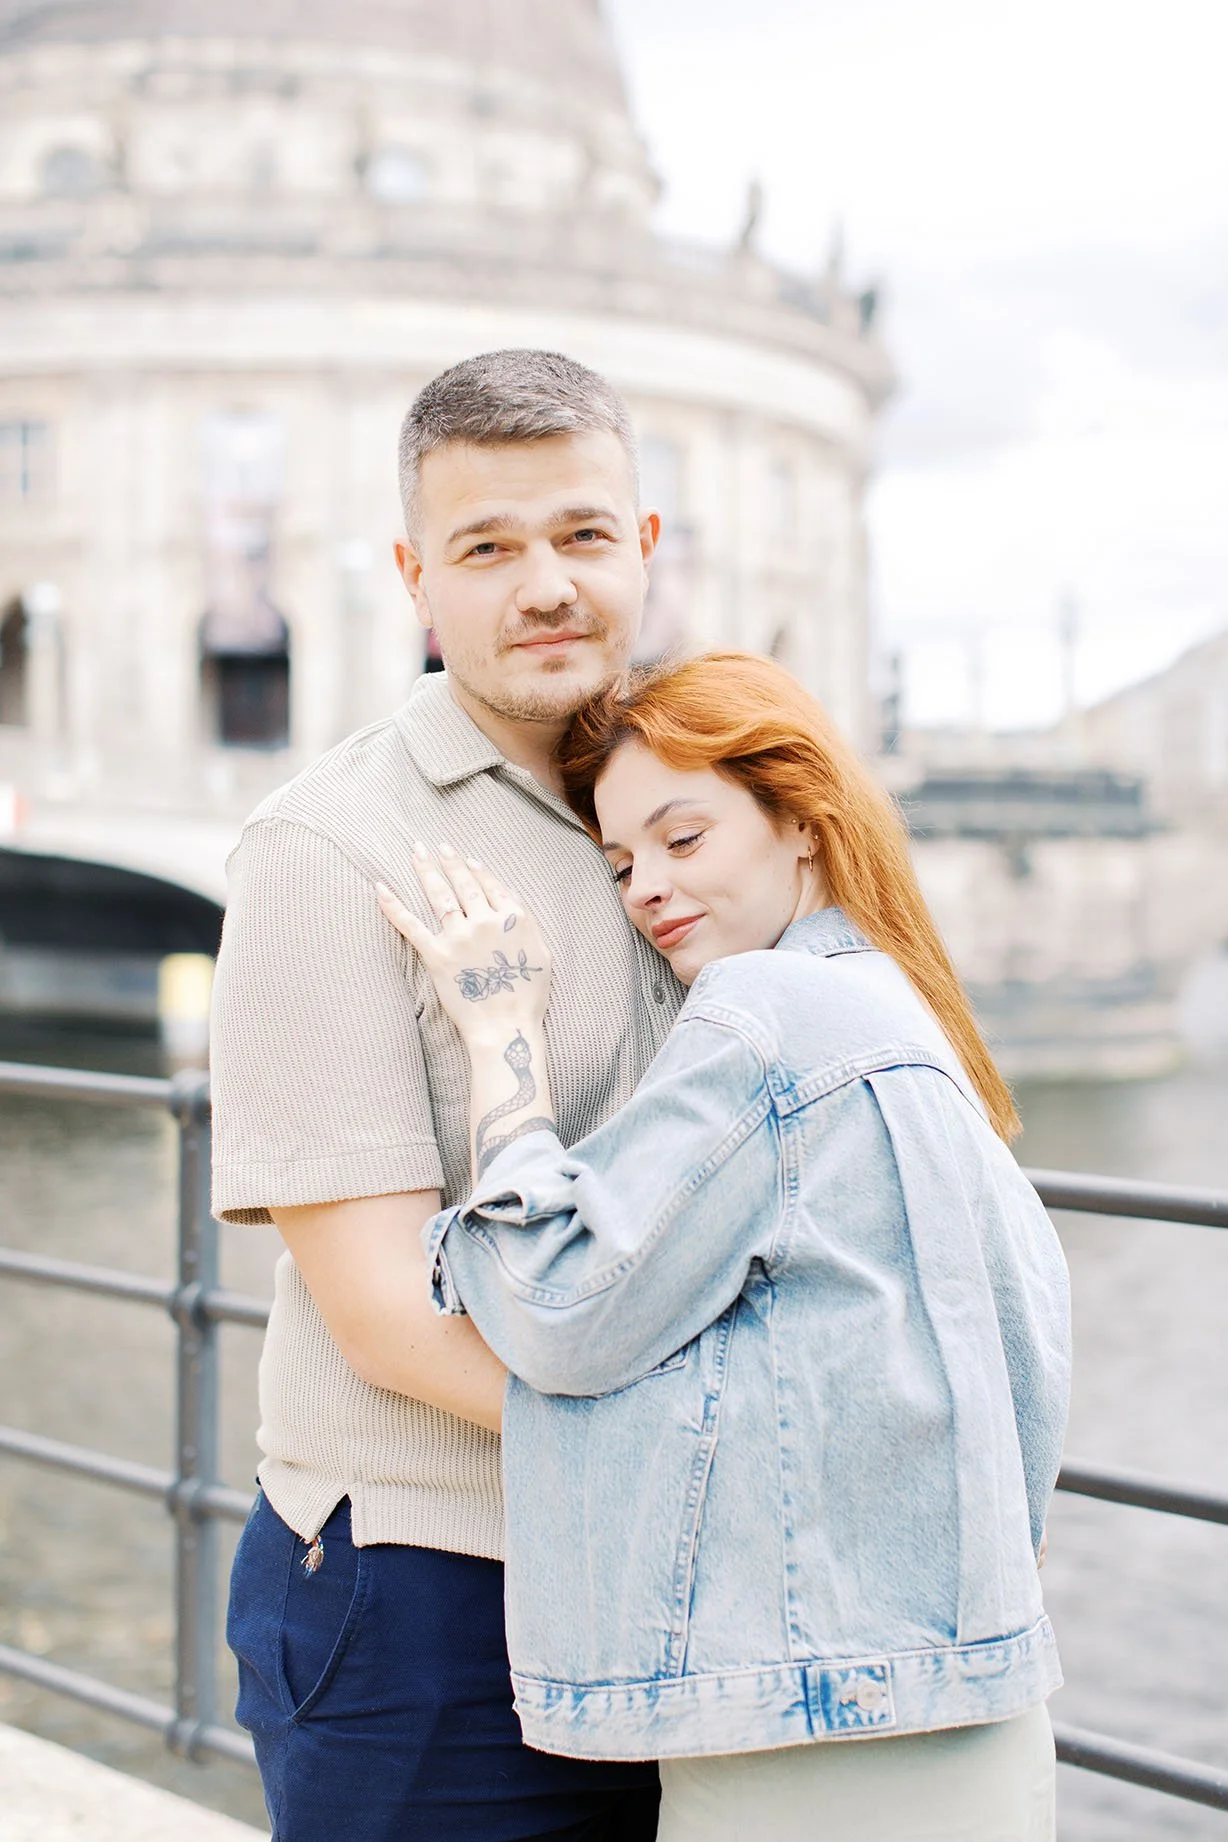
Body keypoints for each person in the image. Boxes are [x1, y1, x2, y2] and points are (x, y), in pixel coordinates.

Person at [376, 650, 1071, 1842]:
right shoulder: (905, 1014)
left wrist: (502, 1041)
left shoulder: (768, 1013)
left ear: (800, 822)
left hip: (812, 1724)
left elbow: (558, 1308)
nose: (646, 886)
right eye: (622, 862)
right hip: (966, 1697)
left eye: (682, 840)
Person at [210, 349, 678, 1840]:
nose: (545, 584)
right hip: (431, 1593)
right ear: (417, 579)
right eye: (487, 549)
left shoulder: (692, 808)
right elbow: (387, 1319)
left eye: (582, 535)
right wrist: (722, 1443)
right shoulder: (325, 846)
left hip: (669, 1581)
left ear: (645, 548)